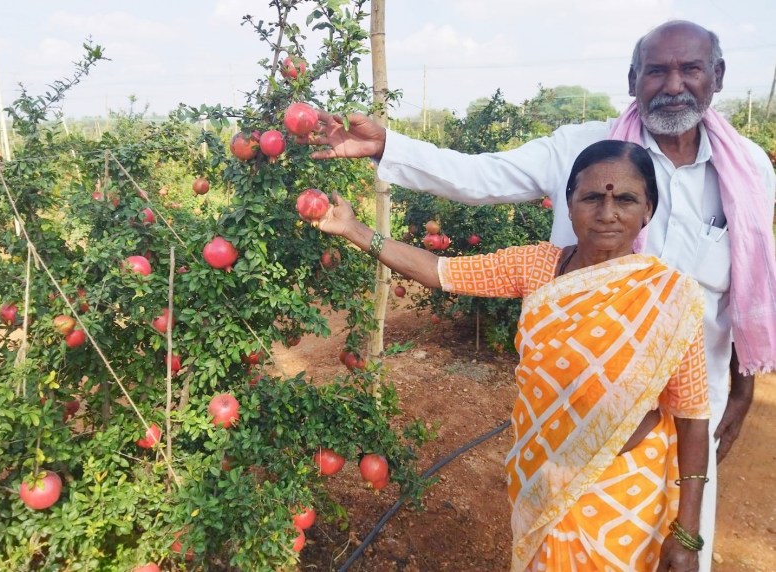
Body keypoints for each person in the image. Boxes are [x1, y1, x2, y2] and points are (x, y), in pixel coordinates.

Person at [304, 20, 776, 569]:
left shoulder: (750, 170)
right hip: (560, 421)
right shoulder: (578, 152)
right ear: (633, 79)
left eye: (690, 68)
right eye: (656, 70)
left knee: (676, 545)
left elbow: (752, 285)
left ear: (716, 75)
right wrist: (389, 149)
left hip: (695, 400)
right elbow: (477, 179)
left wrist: (742, 391)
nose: (674, 83)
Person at [318, 140, 710, 571]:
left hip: (627, 493)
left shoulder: (669, 296)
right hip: (543, 475)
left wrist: (687, 531)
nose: (607, 213)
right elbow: (439, 271)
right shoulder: (537, 267)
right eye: (592, 197)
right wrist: (354, 230)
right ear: (569, 204)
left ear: (648, 210)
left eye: (626, 199)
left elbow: (692, 415)